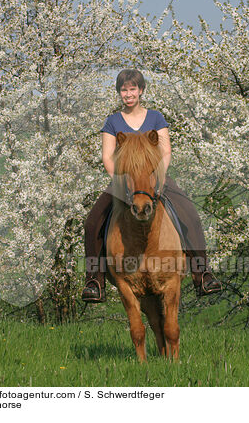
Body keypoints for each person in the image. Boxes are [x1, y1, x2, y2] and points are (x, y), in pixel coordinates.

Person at [81, 69, 222, 303]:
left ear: (141, 91)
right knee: (92, 222)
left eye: (132, 89)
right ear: (119, 93)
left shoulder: (156, 118)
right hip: (124, 182)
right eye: (124, 89)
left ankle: (203, 273)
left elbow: (165, 151)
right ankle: (94, 280)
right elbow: (107, 156)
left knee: (191, 215)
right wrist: (120, 180)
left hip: (156, 179)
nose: (128, 93)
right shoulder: (113, 121)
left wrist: (159, 177)